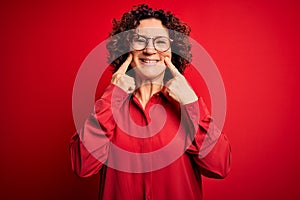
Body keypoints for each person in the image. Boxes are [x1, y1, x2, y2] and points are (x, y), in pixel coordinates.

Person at [70, 4, 231, 200]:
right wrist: (112, 96)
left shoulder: (188, 108)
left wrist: (190, 101)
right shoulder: (109, 108)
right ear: (126, 49)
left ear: (173, 51)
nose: (149, 49)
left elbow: (219, 166)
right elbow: (82, 166)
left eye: (160, 42)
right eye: (140, 40)